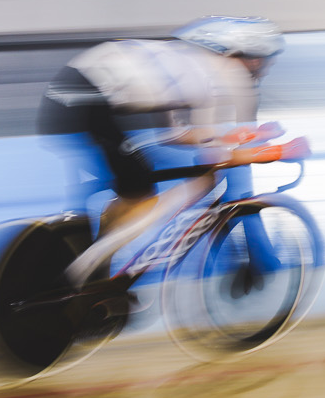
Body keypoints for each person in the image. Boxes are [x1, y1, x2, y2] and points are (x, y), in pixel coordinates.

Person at [36, 16, 296, 285]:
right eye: (268, 59)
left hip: (67, 97)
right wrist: (278, 151)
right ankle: (84, 270)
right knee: (147, 192)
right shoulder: (228, 75)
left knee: (133, 183)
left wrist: (247, 135)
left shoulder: (187, 59)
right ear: (252, 57)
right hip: (91, 104)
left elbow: (178, 135)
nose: (267, 67)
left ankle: (95, 261)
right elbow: (215, 158)